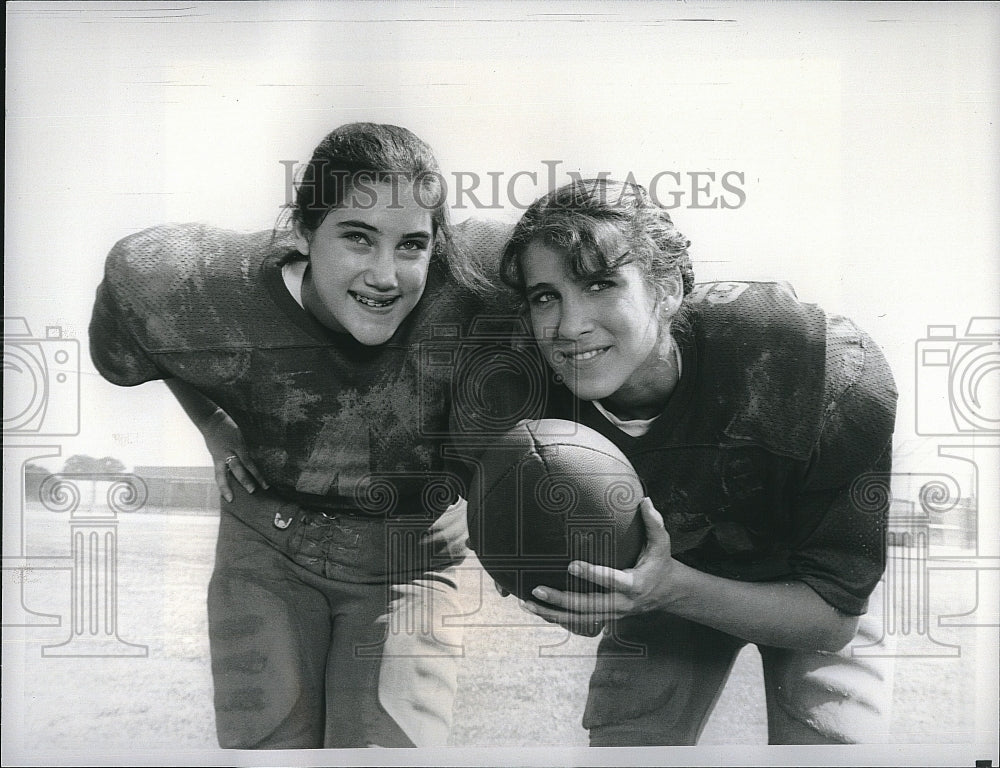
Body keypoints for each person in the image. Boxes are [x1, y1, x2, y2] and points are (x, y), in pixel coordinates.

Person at [88, 122, 511, 749]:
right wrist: (211, 423)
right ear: (303, 231)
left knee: (386, 751)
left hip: (408, 554)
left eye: (412, 245)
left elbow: (600, 276)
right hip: (268, 538)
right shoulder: (194, 283)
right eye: (358, 238)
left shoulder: (487, 274)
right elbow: (145, 340)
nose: (386, 275)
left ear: (439, 246)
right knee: (270, 752)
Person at [493, 178, 898, 745]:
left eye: (601, 284)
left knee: (831, 741)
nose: (568, 325)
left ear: (666, 289)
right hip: (670, 574)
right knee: (629, 745)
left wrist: (669, 586)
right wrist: (578, 595)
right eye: (545, 296)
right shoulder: (527, 390)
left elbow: (832, 620)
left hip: (804, 587)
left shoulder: (816, 363)